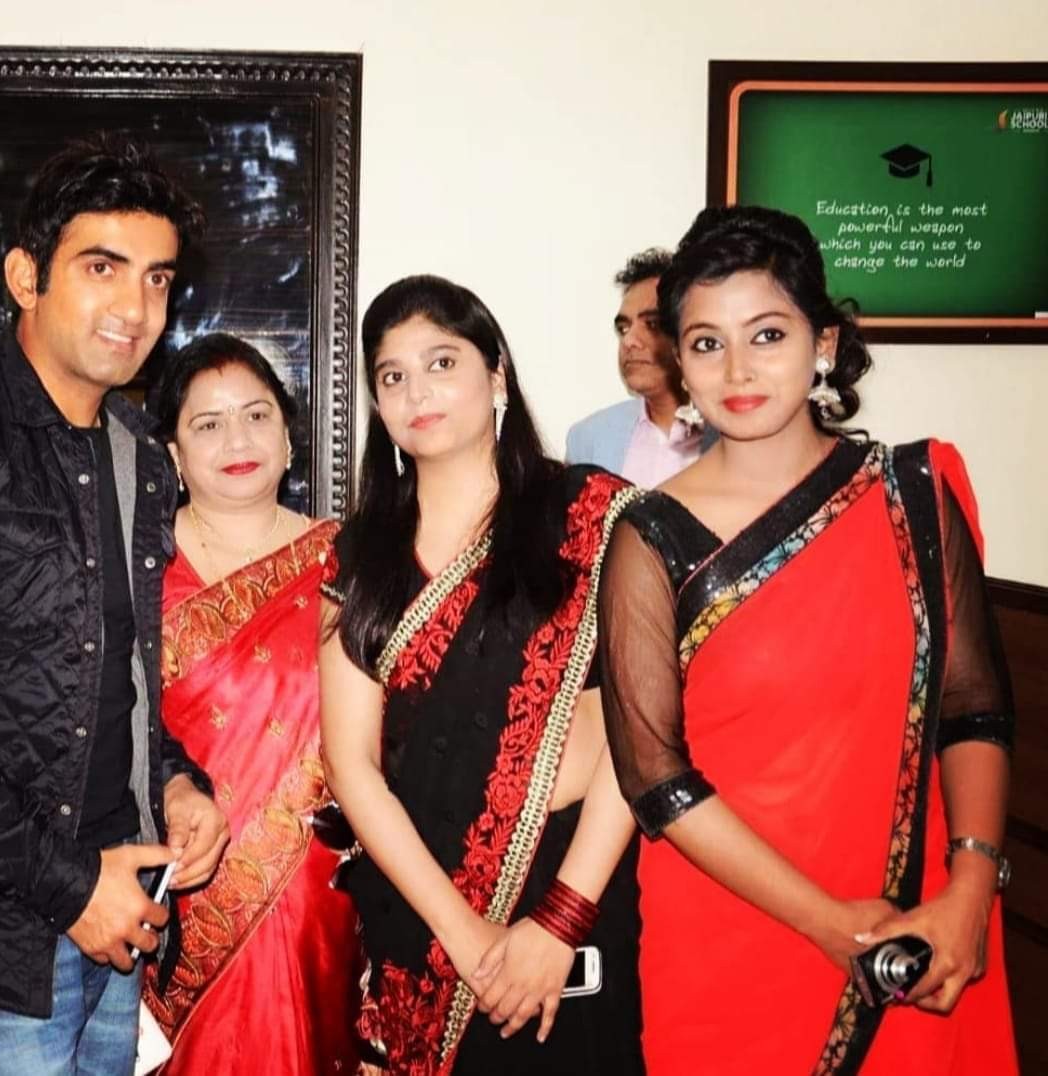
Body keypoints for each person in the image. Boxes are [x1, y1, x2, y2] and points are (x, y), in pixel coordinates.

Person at [599, 205, 1018, 1075]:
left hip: (918, 922)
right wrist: (830, 924)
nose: (738, 369)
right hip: (726, 938)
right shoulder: (649, 536)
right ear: (680, 361)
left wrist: (972, 888)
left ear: (822, 342)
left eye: (767, 334)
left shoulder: (913, 495)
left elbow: (973, 708)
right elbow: (654, 777)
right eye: (707, 343)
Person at [319, 275, 646, 1075]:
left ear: (497, 375)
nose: (417, 391)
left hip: (571, 888)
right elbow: (351, 765)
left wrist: (562, 917)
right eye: (393, 376)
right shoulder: (360, 554)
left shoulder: (592, 516)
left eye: (442, 362)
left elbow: (639, 734)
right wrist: (463, 937)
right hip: (420, 907)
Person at [0, 133, 229, 1075]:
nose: (135, 308)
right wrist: (70, 886)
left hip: (122, 910)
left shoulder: (135, 453)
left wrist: (175, 783)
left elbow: (113, 674)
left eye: (157, 279)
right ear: (25, 277)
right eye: (102, 268)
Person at [142, 333, 361, 1074]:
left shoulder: (351, 562)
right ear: (173, 455)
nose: (238, 440)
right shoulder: (135, 571)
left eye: (257, 415)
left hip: (316, 898)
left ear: (290, 439)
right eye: (209, 424)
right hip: (169, 893)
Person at [565, 247, 713, 486]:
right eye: (623, 328)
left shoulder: (731, 431)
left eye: (652, 324)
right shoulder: (589, 440)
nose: (629, 341)